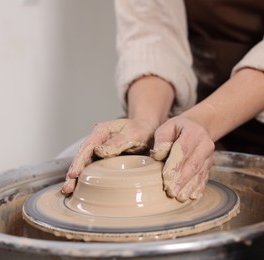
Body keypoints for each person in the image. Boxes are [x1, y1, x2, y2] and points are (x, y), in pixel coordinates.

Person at [61, 0, 264, 202]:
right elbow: (150, 28)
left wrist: (205, 119)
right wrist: (146, 121)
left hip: (232, 116)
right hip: (194, 113)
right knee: (67, 161)